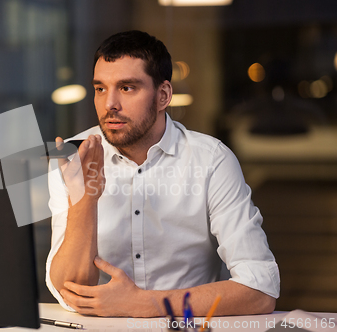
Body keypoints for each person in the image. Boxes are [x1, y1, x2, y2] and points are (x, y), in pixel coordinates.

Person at [46, 30, 280, 318]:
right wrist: (85, 198)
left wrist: (147, 303)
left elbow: (260, 290)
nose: (110, 104)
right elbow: (71, 291)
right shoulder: (73, 156)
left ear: (163, 95)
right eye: (100, 89)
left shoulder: (211, 160)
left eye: (127, 88)